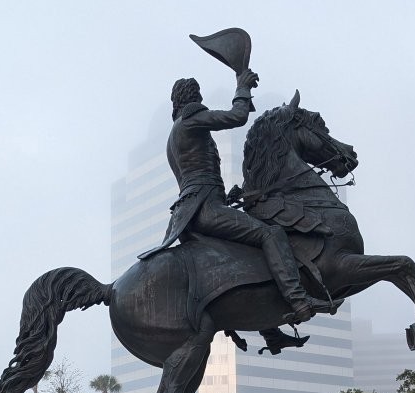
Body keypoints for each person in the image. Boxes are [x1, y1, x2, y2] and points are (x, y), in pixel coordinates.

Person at [139, 72, 333, 324]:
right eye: (198, 95)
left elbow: (197, 179)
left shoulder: (173, 136)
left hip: (196, 207)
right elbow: (237, 117)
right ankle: (299, 300)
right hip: (205, 208)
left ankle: (271, 330)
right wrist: (242, 88)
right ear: (193, 97)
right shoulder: (190, 120)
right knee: (270, 234)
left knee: (246, 253)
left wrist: (227, 197)